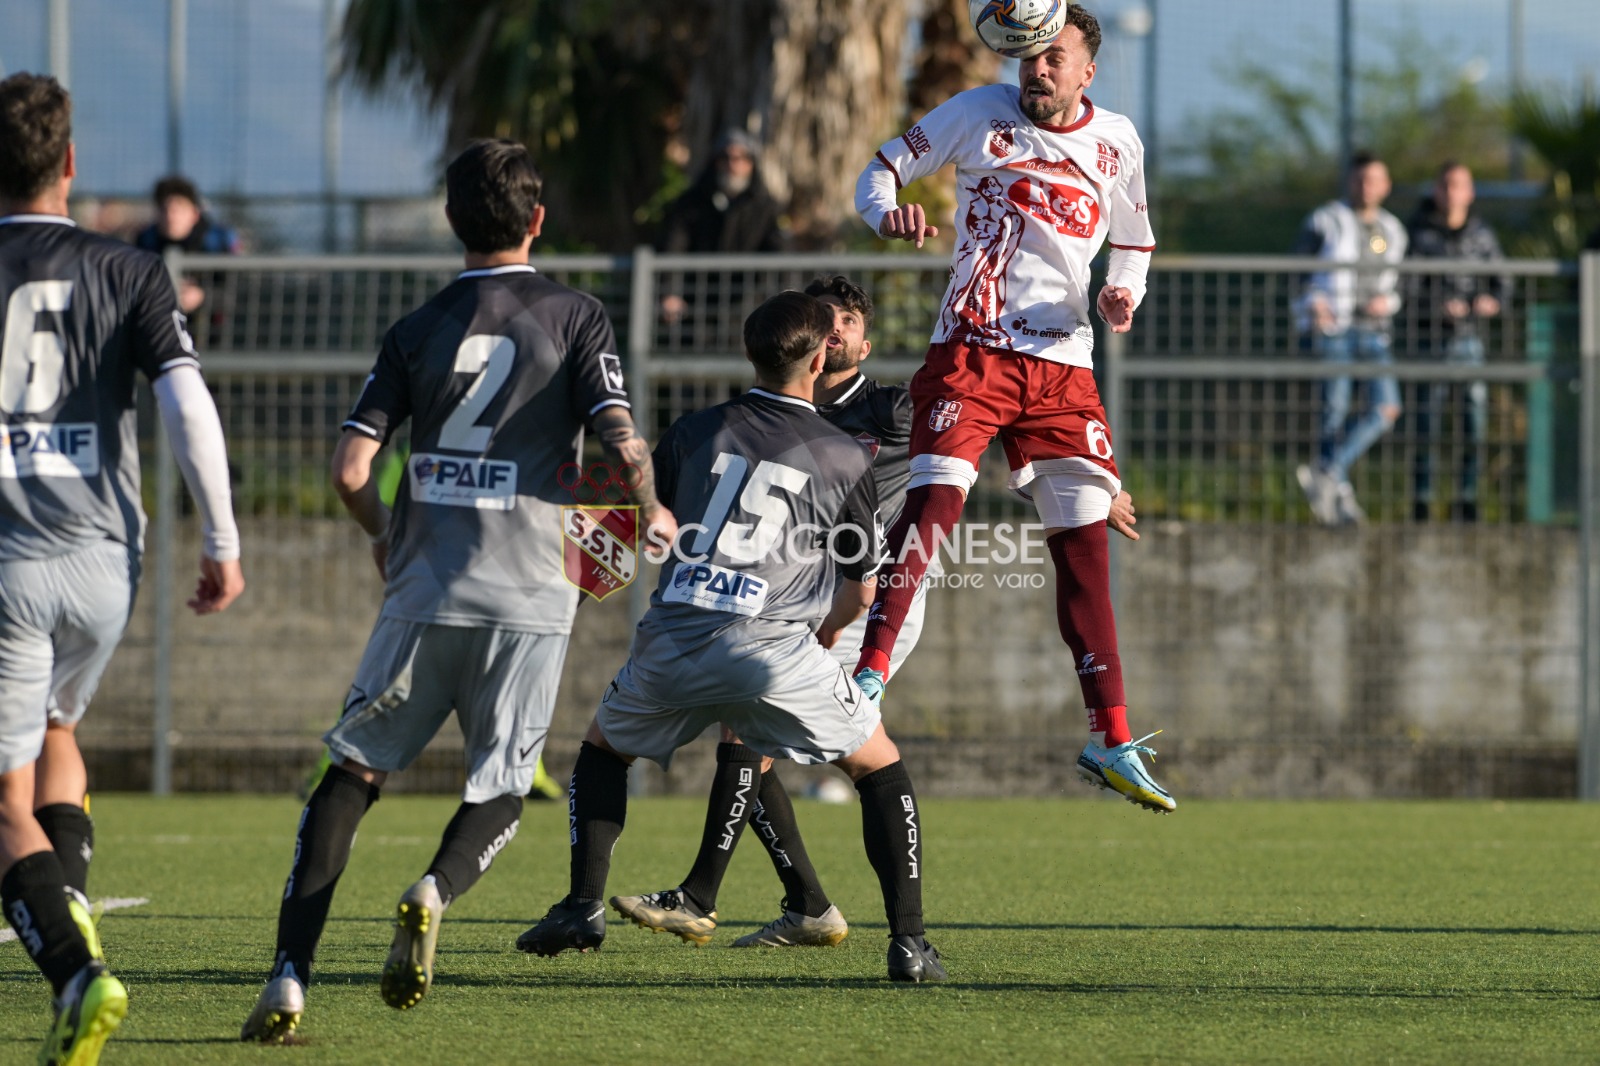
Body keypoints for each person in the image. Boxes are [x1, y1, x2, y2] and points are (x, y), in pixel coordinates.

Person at [240, 139, 675, 1042]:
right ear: (538, 220)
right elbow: (622, 439)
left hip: (425, 584)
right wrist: (651, 508)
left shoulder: (418, 326)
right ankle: (434, 889)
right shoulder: (577, 316)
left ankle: (288, 976)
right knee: (506, 787)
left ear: (451, 221)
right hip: (531, 595)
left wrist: (386, 536)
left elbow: (351, 467)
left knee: (352, 773)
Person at [515, 290, 946, 983]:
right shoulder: (842, 454)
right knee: (878, 765)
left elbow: (640, 525)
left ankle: (581, 906)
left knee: (601, 750)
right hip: (771, 648)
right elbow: (862, 587)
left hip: (670, 637)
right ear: (816, 359)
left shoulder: (694, 430)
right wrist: (825, 636)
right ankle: (910, 945)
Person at [848, 6, 1171, 813]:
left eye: (1055, 58)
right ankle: (866, 679)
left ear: (1086, 70)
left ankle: (1110, 738)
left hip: (1065, 369)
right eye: (1030, 57)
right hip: (973, 350)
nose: (1038, 70)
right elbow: (878, 171)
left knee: (1086, 550)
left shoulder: (1118, 141)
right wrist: (885, 212)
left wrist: (1122, 291)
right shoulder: (974, 113)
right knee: (932, 510)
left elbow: (1134, 238)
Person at [0, 72, 245, 1065]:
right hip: (109, 559)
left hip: (8, 562)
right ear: (68, 163)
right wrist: (222, 542)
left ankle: (76, 970)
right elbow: (187, 405)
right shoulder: (133, 269)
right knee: (60, 725)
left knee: (2, 803)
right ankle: (76, 910)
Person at [1293, 152, 1408, 526]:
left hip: (1375, 331)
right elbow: (1298, 271)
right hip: (1335, 328)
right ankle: (1336, 493)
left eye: (1375, 179)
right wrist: (1315, 303)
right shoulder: (1325, 219)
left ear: (1386, 185)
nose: (1367, 186)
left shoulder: (1394, 229)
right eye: (1361, 179)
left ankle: (1328, 470)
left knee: (1386, 408)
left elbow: (1400, 284)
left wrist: (1387, 301)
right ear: (1350, 181)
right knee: (1334, 410)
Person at [1405, 162, 1506, 523]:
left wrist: (1489, 302)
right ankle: (1422, 499)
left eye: (1459, 185)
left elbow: (1501, 283)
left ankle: (1467, 498)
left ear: (1470, 192)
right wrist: (1437, 308)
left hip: (1469, 342)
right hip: (1430, 341)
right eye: (1445, 185)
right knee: (1426, 423)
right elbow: (1407, 287)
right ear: (1436, 190)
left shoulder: (1481, 234)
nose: (1451, 192)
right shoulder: (1418, 234)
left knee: (1472, 423)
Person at [657, 129, 786, 334]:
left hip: (747, 307)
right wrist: (671, 292)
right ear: (715, 161)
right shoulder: (691, 203)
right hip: (697, 304)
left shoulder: (765, 207)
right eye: (725, 157)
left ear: (751, 164)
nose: (733, 165)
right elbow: (673, 247)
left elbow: (780, 252)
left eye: (741, 158)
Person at [133, 175, 241, 313]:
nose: (171, 217)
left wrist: (202, 297)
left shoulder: (216, 242)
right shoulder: (145, 241)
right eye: (165, 209)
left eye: (179, 210)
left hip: (209, 329)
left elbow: (235, 293)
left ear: (195, 214)